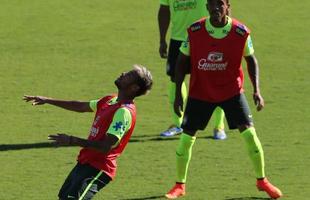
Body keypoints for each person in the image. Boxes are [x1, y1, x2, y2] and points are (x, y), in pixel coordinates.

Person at [165, 0, 283, 199]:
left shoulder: (241, 32)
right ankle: (179, 186)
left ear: (228, 6)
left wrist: (257, 91)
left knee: (250, 136)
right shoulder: (194, 31)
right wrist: (178, 94)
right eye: (212, 4)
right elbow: (182, 61)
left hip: (232, 92)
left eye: (220, 4)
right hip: (200, 92)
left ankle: (262, 181)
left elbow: (251, 60)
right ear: (207, 7)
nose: (216, 8)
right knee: (186, 140)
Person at [23, 65, 153, 200]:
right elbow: (80, 106)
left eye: (129, 75)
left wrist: (72, 140)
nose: (123, 73)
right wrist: (47, 100)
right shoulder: (110, 100)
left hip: (100, 167)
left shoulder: (124, 112)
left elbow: (105, 147)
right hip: (86, 161)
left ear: (134, 88)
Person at [158, 0, 227, 139]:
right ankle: (178, 124)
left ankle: (219, 126)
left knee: (215, 78)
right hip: (178, 38)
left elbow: (223, 7)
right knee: (175, 78)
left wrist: (224, 35)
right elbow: (164, 10)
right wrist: (162, 39)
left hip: (205, 37)